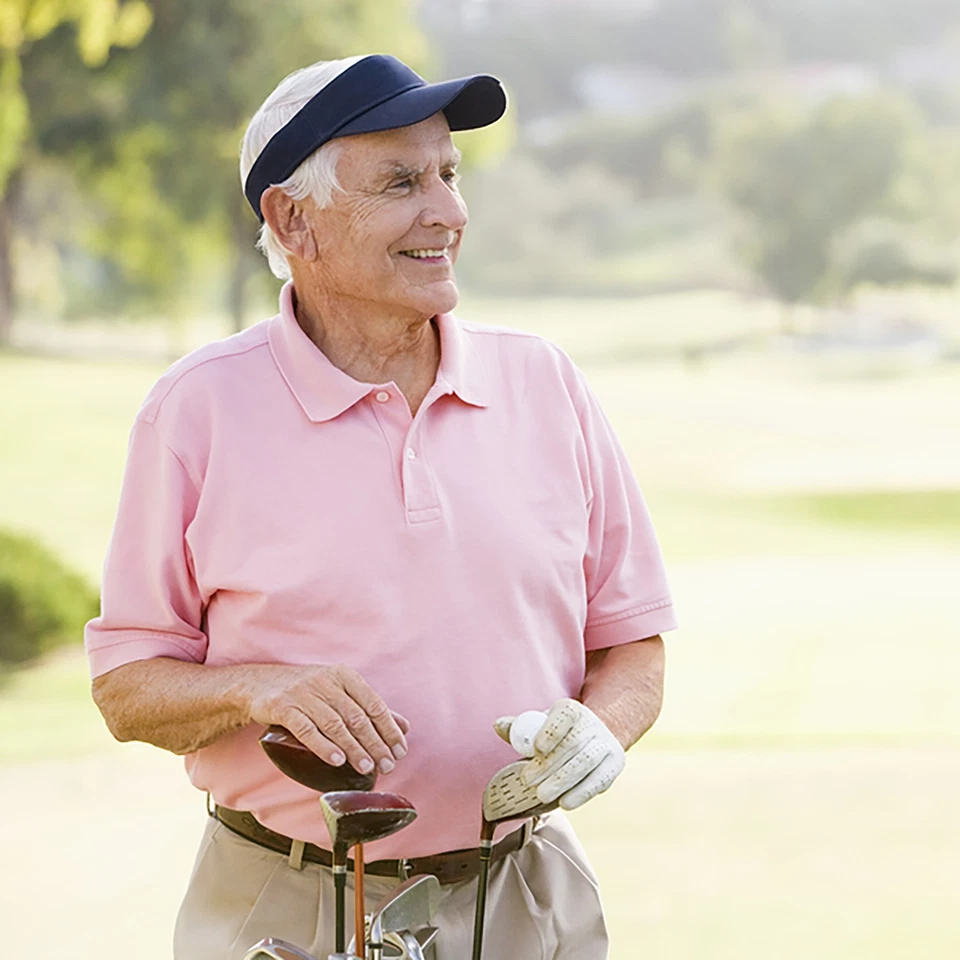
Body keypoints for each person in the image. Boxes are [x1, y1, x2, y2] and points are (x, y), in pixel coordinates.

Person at [85, 54, 677, 960]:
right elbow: (128, 686)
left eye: (448, 173)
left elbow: (629, 642)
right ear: (294, 219)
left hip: (526, 897)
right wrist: (257, 686)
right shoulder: (196, 410)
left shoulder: (544, 382)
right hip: (283, 909)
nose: (447, 211)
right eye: (401, 182)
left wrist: (604, 727)